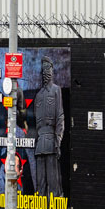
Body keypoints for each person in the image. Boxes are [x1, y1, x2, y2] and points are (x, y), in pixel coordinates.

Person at [31, 56, 66, 198]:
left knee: (53, 182)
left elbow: (60, 116)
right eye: (44, 69)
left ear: (52, 71)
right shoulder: (38, 96)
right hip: (40, 144)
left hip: (52, 141)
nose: (46, 72)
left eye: (48, 69)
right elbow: (35, 122)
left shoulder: (56, 90)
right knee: (41, 183)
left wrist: (58, 140)